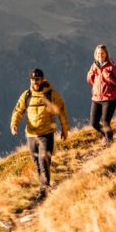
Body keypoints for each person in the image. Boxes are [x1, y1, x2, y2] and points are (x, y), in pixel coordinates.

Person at [10, 68, 69, 200]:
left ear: (42, 79)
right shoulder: (26, 95)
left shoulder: (52, 95)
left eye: (37, 79)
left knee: (44, 161)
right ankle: (43, 186)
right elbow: (18, 111)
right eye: (33, 79)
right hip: (31, 134)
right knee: (36, 162)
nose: (35, 82)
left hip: (46, 134)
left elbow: (61, 111)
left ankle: (44, 189)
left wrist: (65, 130)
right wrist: (14, 125)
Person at [87, 45, 116, 147]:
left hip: (109, 99)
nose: (100, 55)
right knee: (93, 123)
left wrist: (108, 76)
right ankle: (105, 135)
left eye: (102, 53)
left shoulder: (112, 66)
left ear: (106, 54)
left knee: (106, 122)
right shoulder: (94, 66)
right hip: (96, 98)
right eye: (98, 53)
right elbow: (90, 81)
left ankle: (109, 144)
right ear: (95, 55)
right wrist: (90, 75)